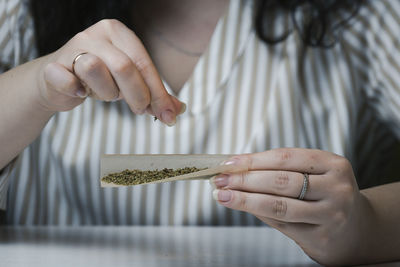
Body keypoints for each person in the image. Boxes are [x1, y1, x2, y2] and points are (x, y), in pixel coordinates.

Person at [0, 0, 399, 265]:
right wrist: (39, 85)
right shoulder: (20, 13)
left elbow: (365, 227)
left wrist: (366, 226)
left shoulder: (362, 14)